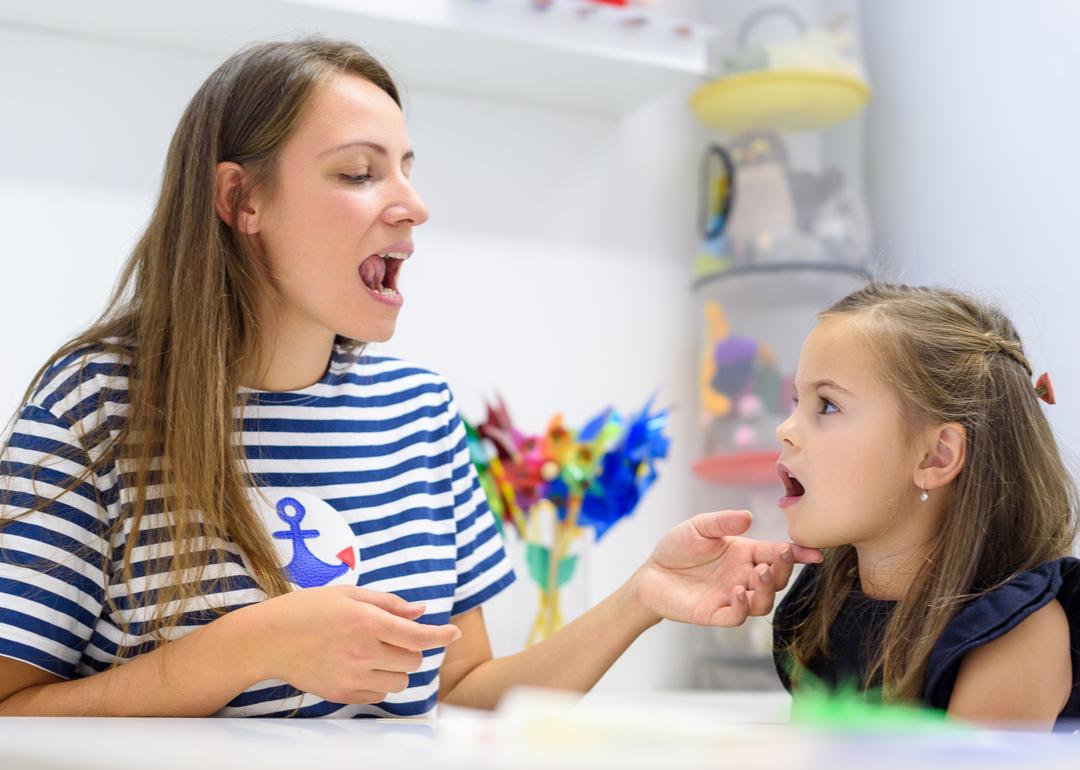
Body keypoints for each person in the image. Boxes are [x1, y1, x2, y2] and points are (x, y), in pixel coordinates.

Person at [0, 37, 819, 718]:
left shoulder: (418, 411)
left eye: (406, 168)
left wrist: (646, 595)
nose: (413, 204)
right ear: (240, 198)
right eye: (359, 173)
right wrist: (240, 649)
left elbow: (463, 693)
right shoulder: (93, 406)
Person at [771, 282, 1080, 729]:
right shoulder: (821, 604)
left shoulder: (1016, 631)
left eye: (828, 405)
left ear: (936, 457)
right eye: (798, 402)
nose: (785, 428)